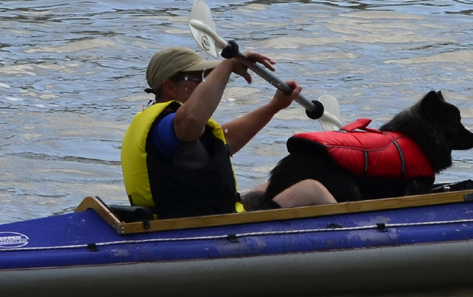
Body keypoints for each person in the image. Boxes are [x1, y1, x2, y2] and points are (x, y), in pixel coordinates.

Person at [122, 46, 330, 218]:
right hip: (195, 228)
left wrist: (274, 106)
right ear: (169, 87)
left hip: (209, 216)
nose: (205, 84)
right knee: (311, 190)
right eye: (198, 78)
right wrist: (229, 64)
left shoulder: (165, 127)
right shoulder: (167, 126)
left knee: (275, 185)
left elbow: (225, 139)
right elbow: (192, 119)